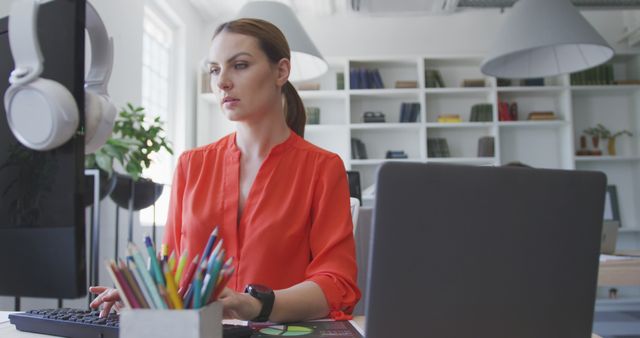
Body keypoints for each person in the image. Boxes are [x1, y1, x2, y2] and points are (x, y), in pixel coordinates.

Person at [89, 18, 360, 324]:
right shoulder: (191, 165)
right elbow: (172, 271)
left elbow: (336, 283)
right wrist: (143, 295)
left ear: (281, 71)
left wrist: (255, 304)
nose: (221, 82)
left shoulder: (322, 168)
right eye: (215, 69)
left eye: (240, 65)